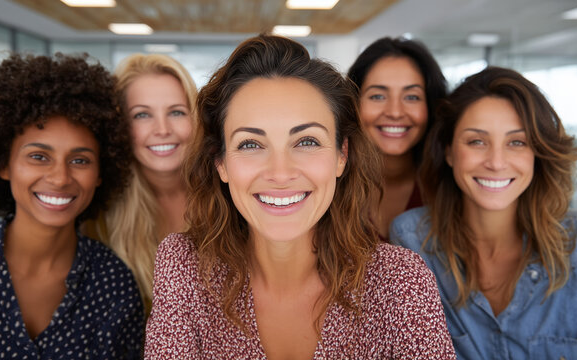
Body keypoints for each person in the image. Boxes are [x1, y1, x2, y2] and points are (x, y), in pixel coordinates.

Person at [144, 34, 456, 359]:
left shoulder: (402, 282)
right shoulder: (184, 268)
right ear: (220, 162)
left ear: (341, 155)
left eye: (306, 141)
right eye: (251, 144)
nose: (280, 173)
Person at [0, 53, 144, 358]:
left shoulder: (113, 283)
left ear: (100, 174)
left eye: (80, 160)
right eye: (39, 156)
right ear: (3, 164)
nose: (60, 178)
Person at [391, 67, 577, 359]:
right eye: (477, 141)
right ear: (448, 151)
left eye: (516, 142)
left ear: (537, 153)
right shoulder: (412, 241)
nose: (496, 162)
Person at [85, 53, 197, 317]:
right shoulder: (96, 217)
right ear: (120, 125)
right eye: (142, 115)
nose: (162, 129)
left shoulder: (230, 200)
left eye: (177, 112)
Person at [347, 37, 447, 239]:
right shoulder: (330, 183)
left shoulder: (450, 186)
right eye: (378, 96)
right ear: (354, 103)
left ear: (431, 106)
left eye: (411, 97)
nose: (394, 112)